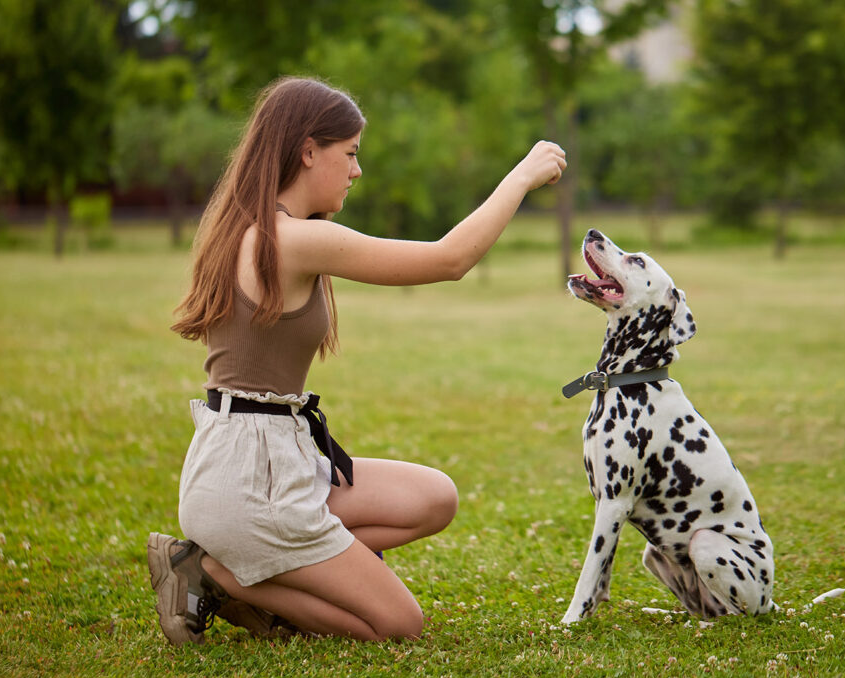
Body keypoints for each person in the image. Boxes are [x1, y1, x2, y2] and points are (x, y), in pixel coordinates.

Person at [147, 76, 566, 644]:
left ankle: (245, 563)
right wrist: (521, 177)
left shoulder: (255, 229)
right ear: (308, 150)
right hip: (252, 482)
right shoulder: (289, 239)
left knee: (434, 497)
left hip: (267, 459)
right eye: (350, 154)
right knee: (399, 625)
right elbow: (449, 259)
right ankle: (215, 572)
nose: (356, 170)